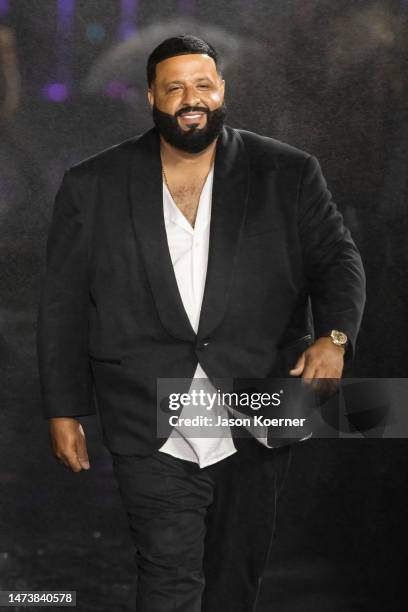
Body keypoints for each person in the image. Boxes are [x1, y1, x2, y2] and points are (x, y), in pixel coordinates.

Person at [37, 35, 366, 612]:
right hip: (146, 406)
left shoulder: (285, 173)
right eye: (175, 88)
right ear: (151, 98)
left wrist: (334, 336)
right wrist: (63, 409)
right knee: (168, 578)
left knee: (234, 580)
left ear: (222, 91)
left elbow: (337, 261)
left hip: (256, 396)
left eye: (203, 85)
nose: (191, 99)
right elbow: (63, 302)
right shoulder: (94, 185)